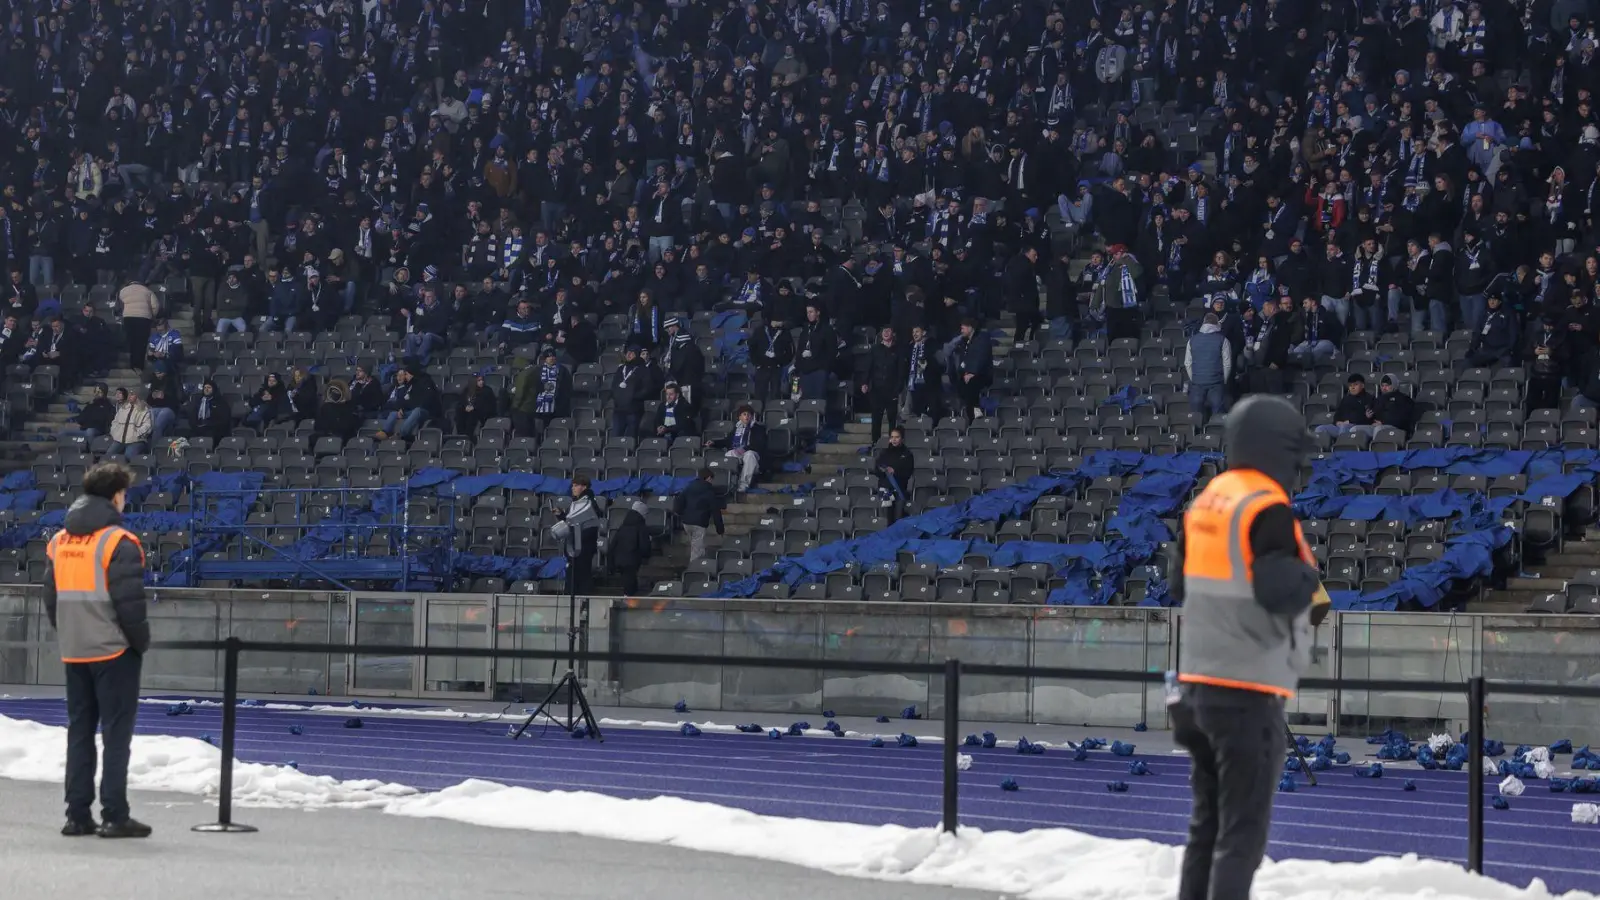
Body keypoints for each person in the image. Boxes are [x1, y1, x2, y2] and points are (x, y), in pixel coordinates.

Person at [1168, 395, 1327, 900]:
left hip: (1196, 687)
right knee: (1242, 838)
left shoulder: (1206, 501)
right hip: (1246, 692)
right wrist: (1309, 573)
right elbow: (1278, 591)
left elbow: (1179, 585)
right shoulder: (1266, 506)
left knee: (1206, 828)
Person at [42, 462, 152, 839]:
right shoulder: (119, 542)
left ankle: (77, 815)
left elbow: (51, 599)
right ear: (115, 496)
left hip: (75, 650)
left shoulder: (59, 541)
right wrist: (139, 644)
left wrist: (70, 633)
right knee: (116, 736)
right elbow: (130, 605)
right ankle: (115, 815)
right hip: (113, 652)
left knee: (79, 733)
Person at [551, 476, 604, 596]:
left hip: (582, 547)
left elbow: (590, 526)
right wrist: (561, 515)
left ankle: (584, 603)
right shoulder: (576, 503)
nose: (573, 488)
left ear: (584, 487)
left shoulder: (589, 503)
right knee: (574, 576)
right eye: (572, 485)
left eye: (576, 485)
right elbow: (571, 523)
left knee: (582, 576)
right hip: (575, 546)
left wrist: (575, 537)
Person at [1184, 312, 1232, 423]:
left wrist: (1194, 378)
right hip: (1216, 382)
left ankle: (1196, 436)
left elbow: (1187, 363)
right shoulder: (1223, 340)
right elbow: (1227, 363)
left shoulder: (1192, 340)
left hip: (1197, 383)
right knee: (1218, 414)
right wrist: (1223, 380)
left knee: (1196, 415)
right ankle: (1216, 436)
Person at [705, 405, 766, 492]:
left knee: (749, 455)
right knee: (729, 453)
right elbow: (727, 441)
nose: (747, 416)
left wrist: (744, 449)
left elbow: (759, 445)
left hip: (752, 455)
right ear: (740, 417)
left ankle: (743, 485)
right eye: (744, 414)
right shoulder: (736, 428)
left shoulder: (758, 429)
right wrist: (714, 443)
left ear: (752, 416)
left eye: (749, 414)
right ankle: (729, 483)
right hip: (738, 454)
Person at [673, 467, 725, 563]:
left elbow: (679, 502)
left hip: (686, 522)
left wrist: (681, 514)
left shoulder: (688, 487)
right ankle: (695, 570)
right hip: (699, 523)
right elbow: (716, 512)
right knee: (697, 550)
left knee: (696, 545)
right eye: (712, 479)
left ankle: (700, 564)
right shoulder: (709, 492)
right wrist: (720, 529)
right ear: (709, 478)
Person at [608, 498, 654, 596]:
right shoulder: (641, 527)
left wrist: (611, 561)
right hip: (632, 559)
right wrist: (647, 554)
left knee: (626, 579)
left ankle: (627, 596)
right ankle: (628, 599)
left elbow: (613, 544)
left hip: (619, 558)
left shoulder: (623, 526)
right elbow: (644, 545)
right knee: (630, 581)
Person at [874, 427, 916, 523]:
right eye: (892, 437)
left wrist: (894, 471)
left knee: (898, 519)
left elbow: (908, 473)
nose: (894, 439)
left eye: (897, 437)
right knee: (885, 521)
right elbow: (876, 470)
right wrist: (882, 470)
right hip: (885, 491)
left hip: (899, 490)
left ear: (902, 439)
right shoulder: (884, 453)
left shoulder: (907, 454)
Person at [116, 279, 160, 371]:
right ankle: (139, 366)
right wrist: (152, 316)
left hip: (128, 318)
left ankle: (132, 365)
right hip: (144, 318)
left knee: (132, 342)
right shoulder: (147, 291)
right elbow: (155, 305)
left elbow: (119, 305)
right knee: (142, 343)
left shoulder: (123, 291)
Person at [106, 389, 153, 459]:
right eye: (129, 394)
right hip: (119, 440)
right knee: (108, 456)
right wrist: (115, 433)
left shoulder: (144, 409)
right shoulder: (123, 408)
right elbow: (115, 422)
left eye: (132, 394)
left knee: (129, 456)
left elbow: (148, 426)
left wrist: (137, 434)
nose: (130, 396)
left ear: (137, 396)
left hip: (136, 441)